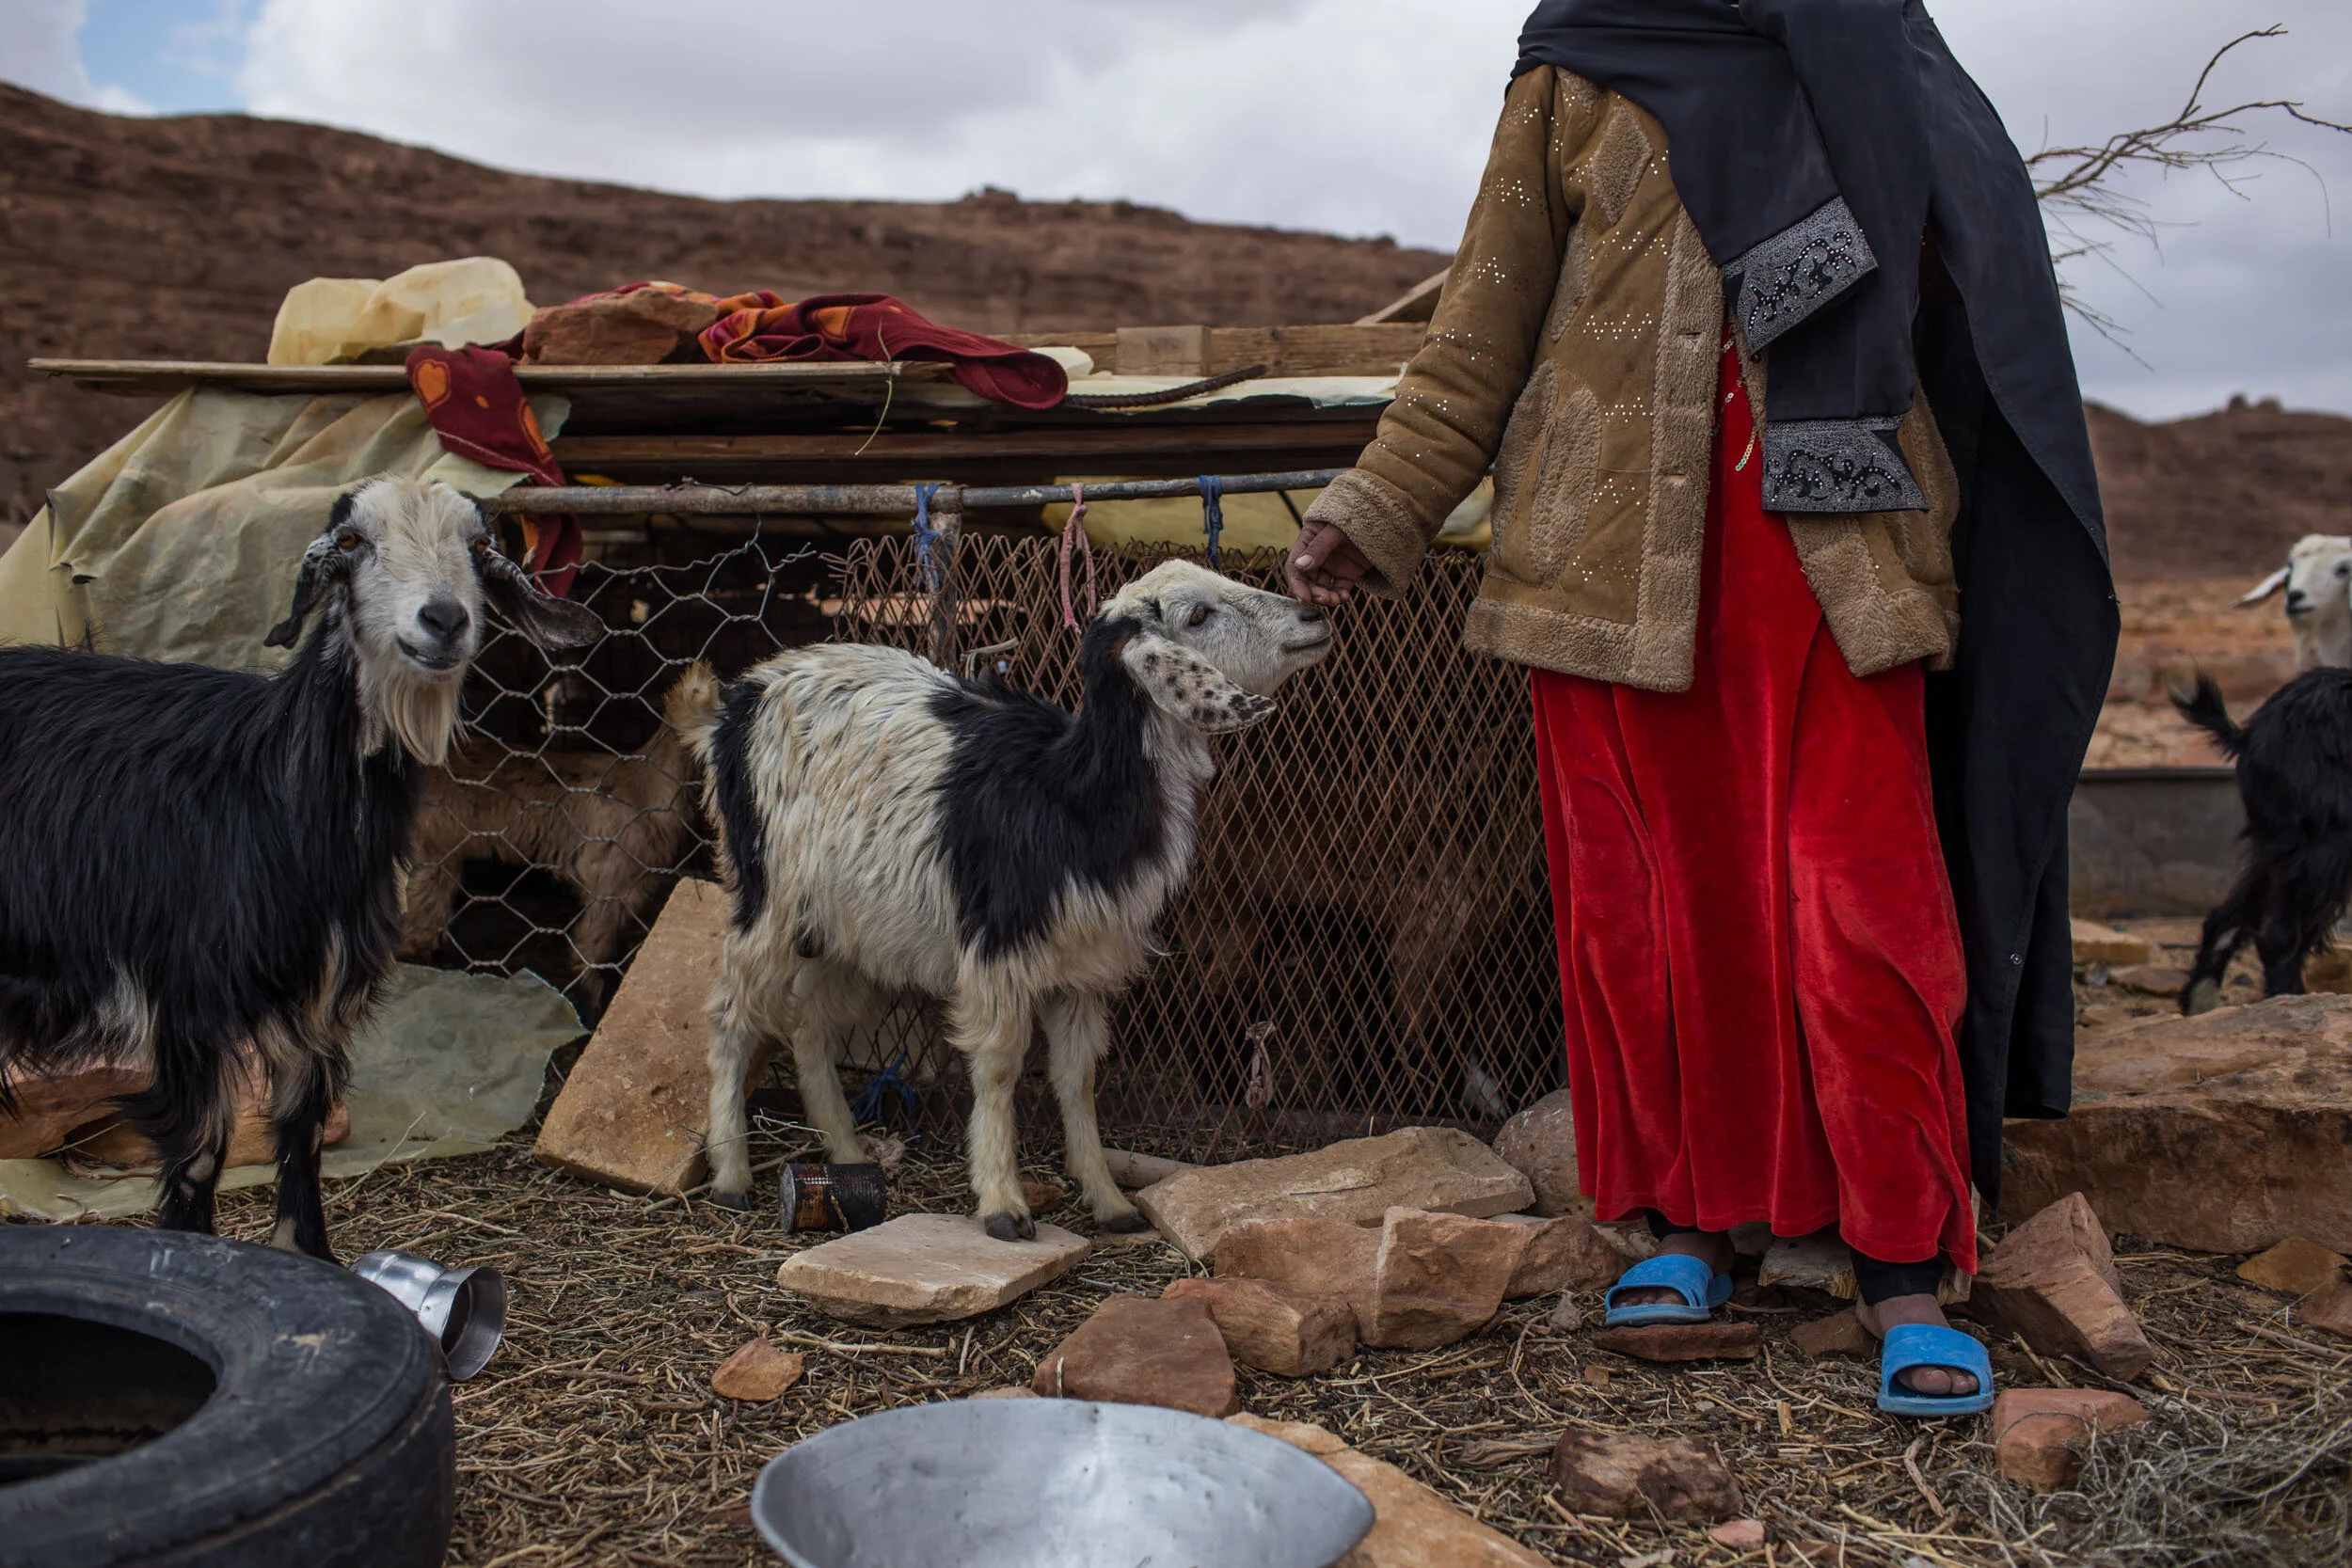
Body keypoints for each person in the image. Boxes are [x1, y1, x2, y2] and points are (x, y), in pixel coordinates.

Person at [1287, 0, 2117, 1416]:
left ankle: (1901, 1261)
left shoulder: (1876, 47)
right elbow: (1481, 327)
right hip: (1605, 560)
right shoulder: (1573, 63)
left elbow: (1984, 299)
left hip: (1833, 556)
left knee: (1862, 918)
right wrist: (1378, 504)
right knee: (1645, 919)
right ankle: (1682, 1223)